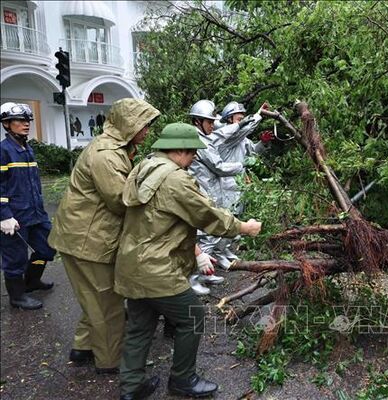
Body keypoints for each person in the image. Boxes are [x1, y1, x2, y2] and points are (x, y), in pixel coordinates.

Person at [115, 123, 261, 400]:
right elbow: (206, 214)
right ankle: (183, 379)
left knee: (140, 325)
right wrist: (244, 227)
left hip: (131, 264)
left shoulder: (143, 168)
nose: (194, 158)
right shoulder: (174, 178)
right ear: (179, 149)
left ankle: (131, 387)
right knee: (192, 315)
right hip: (157, 268)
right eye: (192, 152)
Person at [48, 98, 160, 374]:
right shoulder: (106, 155)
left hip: (81, 237)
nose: (147, 131)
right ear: (128, 124)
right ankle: (112, 362)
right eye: (143, 125)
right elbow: (121, 200)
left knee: (94, 299)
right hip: (87, 241)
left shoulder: (115, 148)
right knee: (107, 303)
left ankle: (83, 347)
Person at [0, 102, 55, 310]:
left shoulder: (27, 149)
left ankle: (31, 281)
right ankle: (17, 297)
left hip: (36, 214)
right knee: (15, 258)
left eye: (27, 120)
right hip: (14, 217)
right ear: (6, 124)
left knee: (48, 246)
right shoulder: (3, 151)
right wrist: (3, 215)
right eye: (20, 121)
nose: (26, 124)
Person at [188, 99, 243, 293]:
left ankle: (205, 274)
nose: (213, 125)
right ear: (197, 122)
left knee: (208, 236)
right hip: (203, 192)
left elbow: (222, 133)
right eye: (209, 122)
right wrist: (242, 165)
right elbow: (218, 167)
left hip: (208, 190)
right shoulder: (198, 140)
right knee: (205, 237)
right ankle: (195, 278)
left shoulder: (203, 137)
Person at [212, 101, 274, 265]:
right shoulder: (228, 137)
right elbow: (243, 130)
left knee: (237, 219)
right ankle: (217, 253)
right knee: (228, 220)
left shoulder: (242, 139)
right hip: (226, 185)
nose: (242, 121)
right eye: (239, 118)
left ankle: (225, 250)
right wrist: (259, 115)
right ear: (230, 119)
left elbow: (252, 152)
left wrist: (263, 143)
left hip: (239, 184)